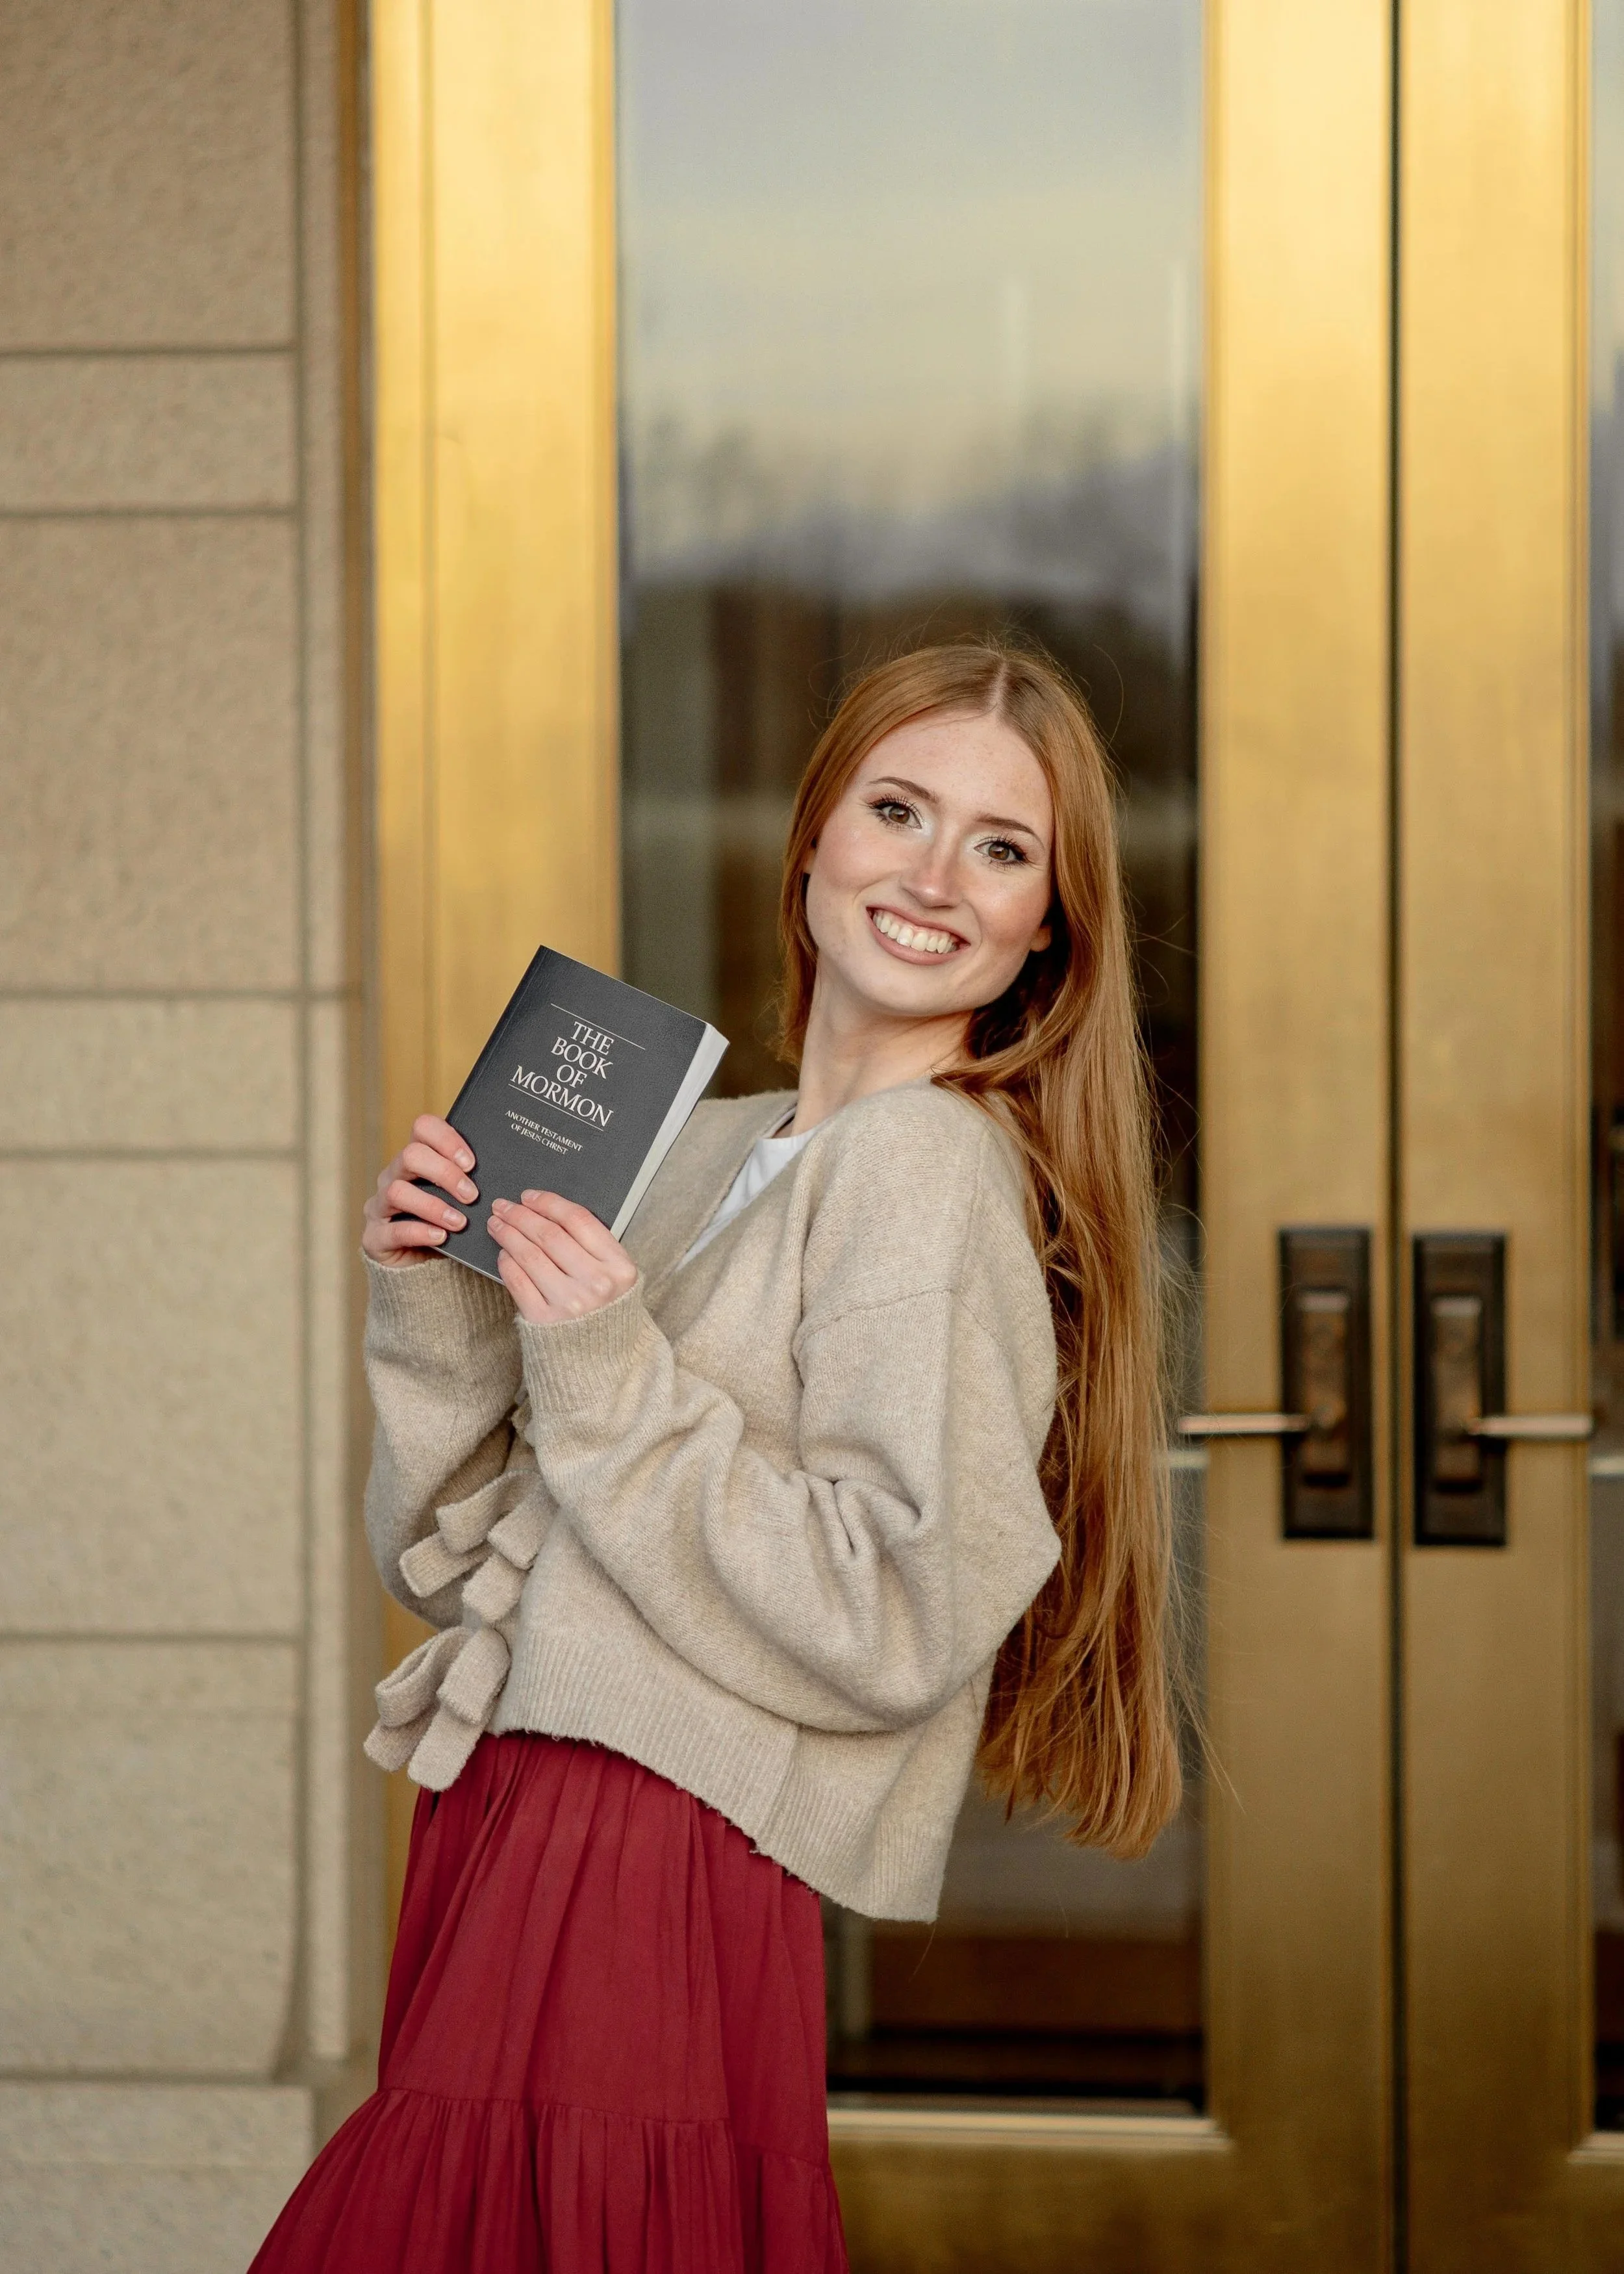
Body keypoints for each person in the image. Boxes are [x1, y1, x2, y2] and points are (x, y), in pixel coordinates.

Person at [249, 638, 1182, 2274]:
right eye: (897, 808)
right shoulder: (702, 1146)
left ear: (1047, 930)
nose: (932, 875)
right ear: (811, 834)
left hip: (654, 1842)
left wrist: (604, 1364)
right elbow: (452, 1559)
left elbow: (897, 1604)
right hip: (515, 1803)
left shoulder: (926, 1170)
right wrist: (438, 1307)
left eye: (1000, 847)